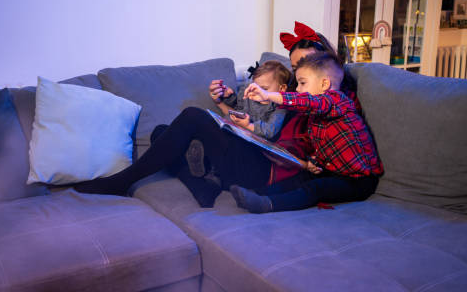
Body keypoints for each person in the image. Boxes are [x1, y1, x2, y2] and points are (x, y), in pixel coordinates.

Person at [73, 22, 342, 209]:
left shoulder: (330, 102)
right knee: (161, 132)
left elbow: (316, 154)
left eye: (307, 63)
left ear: (327, 69)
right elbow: (251, 111)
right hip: (250, 155)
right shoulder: (295, 90)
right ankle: (201, 187)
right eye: (296, 66)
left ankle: (122, 181)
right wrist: (226, 104)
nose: (299, 73)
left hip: (263, 172)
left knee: (193, 116)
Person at [229, 51, 383, 213]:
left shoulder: (338, 101)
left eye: (302, 83)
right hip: (334, 172)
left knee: (316, 187)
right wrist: (317, 161)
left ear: (324, 84)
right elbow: (327, 144)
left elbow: (309, 101)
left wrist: (269, 95)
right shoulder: (314, 116)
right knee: (300, 178)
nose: (297, 89)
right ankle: (257, 195)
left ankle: (268, 204)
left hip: (360, 181)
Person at [182, 60, 289, 178]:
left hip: (248, 143)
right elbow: (238, 106)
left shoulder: (280, 107)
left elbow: (269, 131)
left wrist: (248, 125)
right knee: (212, 130)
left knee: (227, 145)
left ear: (282, 88)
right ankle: (199, 153)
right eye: (255, 88)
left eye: (264, 89)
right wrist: (228, 96)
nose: (258, 93)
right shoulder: (250, 93)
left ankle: (207, 164)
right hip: (230, 129)